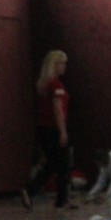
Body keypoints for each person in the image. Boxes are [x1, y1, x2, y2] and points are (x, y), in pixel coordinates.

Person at [22, 50, 74, 210]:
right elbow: (58, 109)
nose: (64, 66)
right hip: (53, 129)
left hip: (42, 129)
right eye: (62, 63)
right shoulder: (56, 85)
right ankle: (61, 200)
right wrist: (63, 131)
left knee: (52, 164)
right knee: (63, 164)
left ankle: (32, 190)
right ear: (54, 64)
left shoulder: (43, 85)